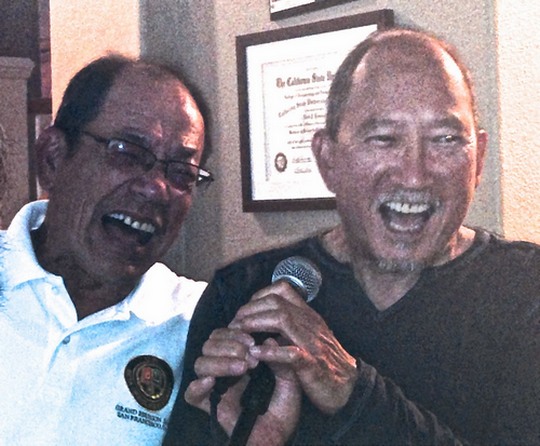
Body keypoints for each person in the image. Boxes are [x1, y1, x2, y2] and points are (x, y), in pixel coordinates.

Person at [163, 28, 540, 445]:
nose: (415, 175)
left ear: (479, 159)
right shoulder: (242, 296)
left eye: (445, 139)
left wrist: (353, 395)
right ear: (327, 160)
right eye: (383, 139)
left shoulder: (526, 292)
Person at [0, 54, 213, 445]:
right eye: (127, 152)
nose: (156, 189)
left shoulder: (203, 325)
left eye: (181, 172)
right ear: (52, 158)